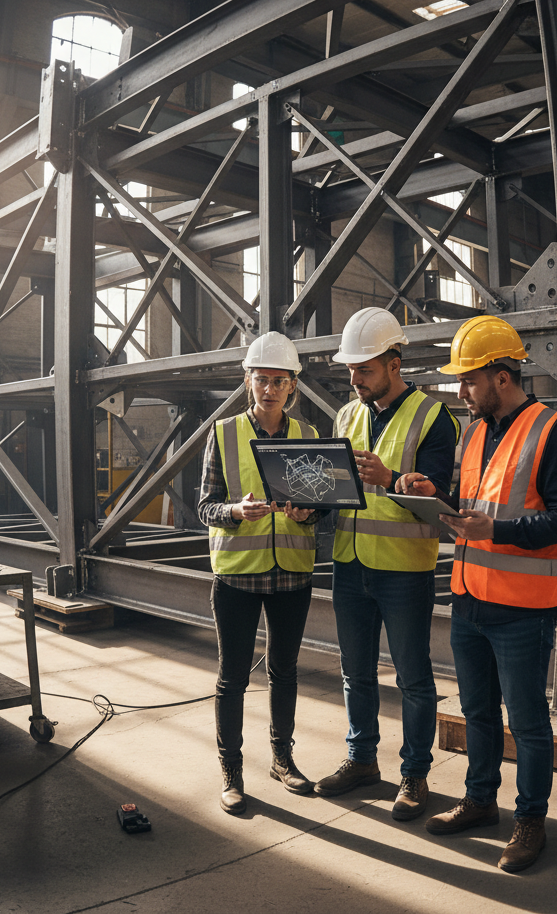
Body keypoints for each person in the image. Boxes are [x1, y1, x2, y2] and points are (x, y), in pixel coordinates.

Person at [398, 315, 557, 871]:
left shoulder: (554, 433)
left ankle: (531, 820)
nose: (462, 391)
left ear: (502, 377)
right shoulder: (477, 430)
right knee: (478, 711)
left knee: (527, 721)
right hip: (470, 599)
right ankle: (480, 800)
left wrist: (496, 531)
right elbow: (474, 499)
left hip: (523, 609)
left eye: (470, 380)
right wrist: (439, 494)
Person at [314, 307, 459, 821]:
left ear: (394, 363)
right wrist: (310, 500)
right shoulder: (346, 415)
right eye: (351, 371)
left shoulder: (433, 417)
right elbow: (337, 490)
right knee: (356, 673)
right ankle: (361, 760)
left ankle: (414, 774)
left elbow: (443, 500)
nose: (354, 381)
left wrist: (393, 477)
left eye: (365, 370)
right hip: (349, 563)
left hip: (403, 568)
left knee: (414, 678)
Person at [198, 331, 322, 816]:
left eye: (279, 381)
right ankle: (231, 770)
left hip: (291, 574)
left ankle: (282, 760)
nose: (269, 389)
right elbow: (204, 506)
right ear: (247, 381)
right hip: (238, 577)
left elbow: (323, 507)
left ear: (292, 386)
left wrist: (306, 515)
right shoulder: (224, 433)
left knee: (284, 672)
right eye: (261, 380)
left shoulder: (310, 438)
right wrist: (234, 511)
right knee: (232, 677)